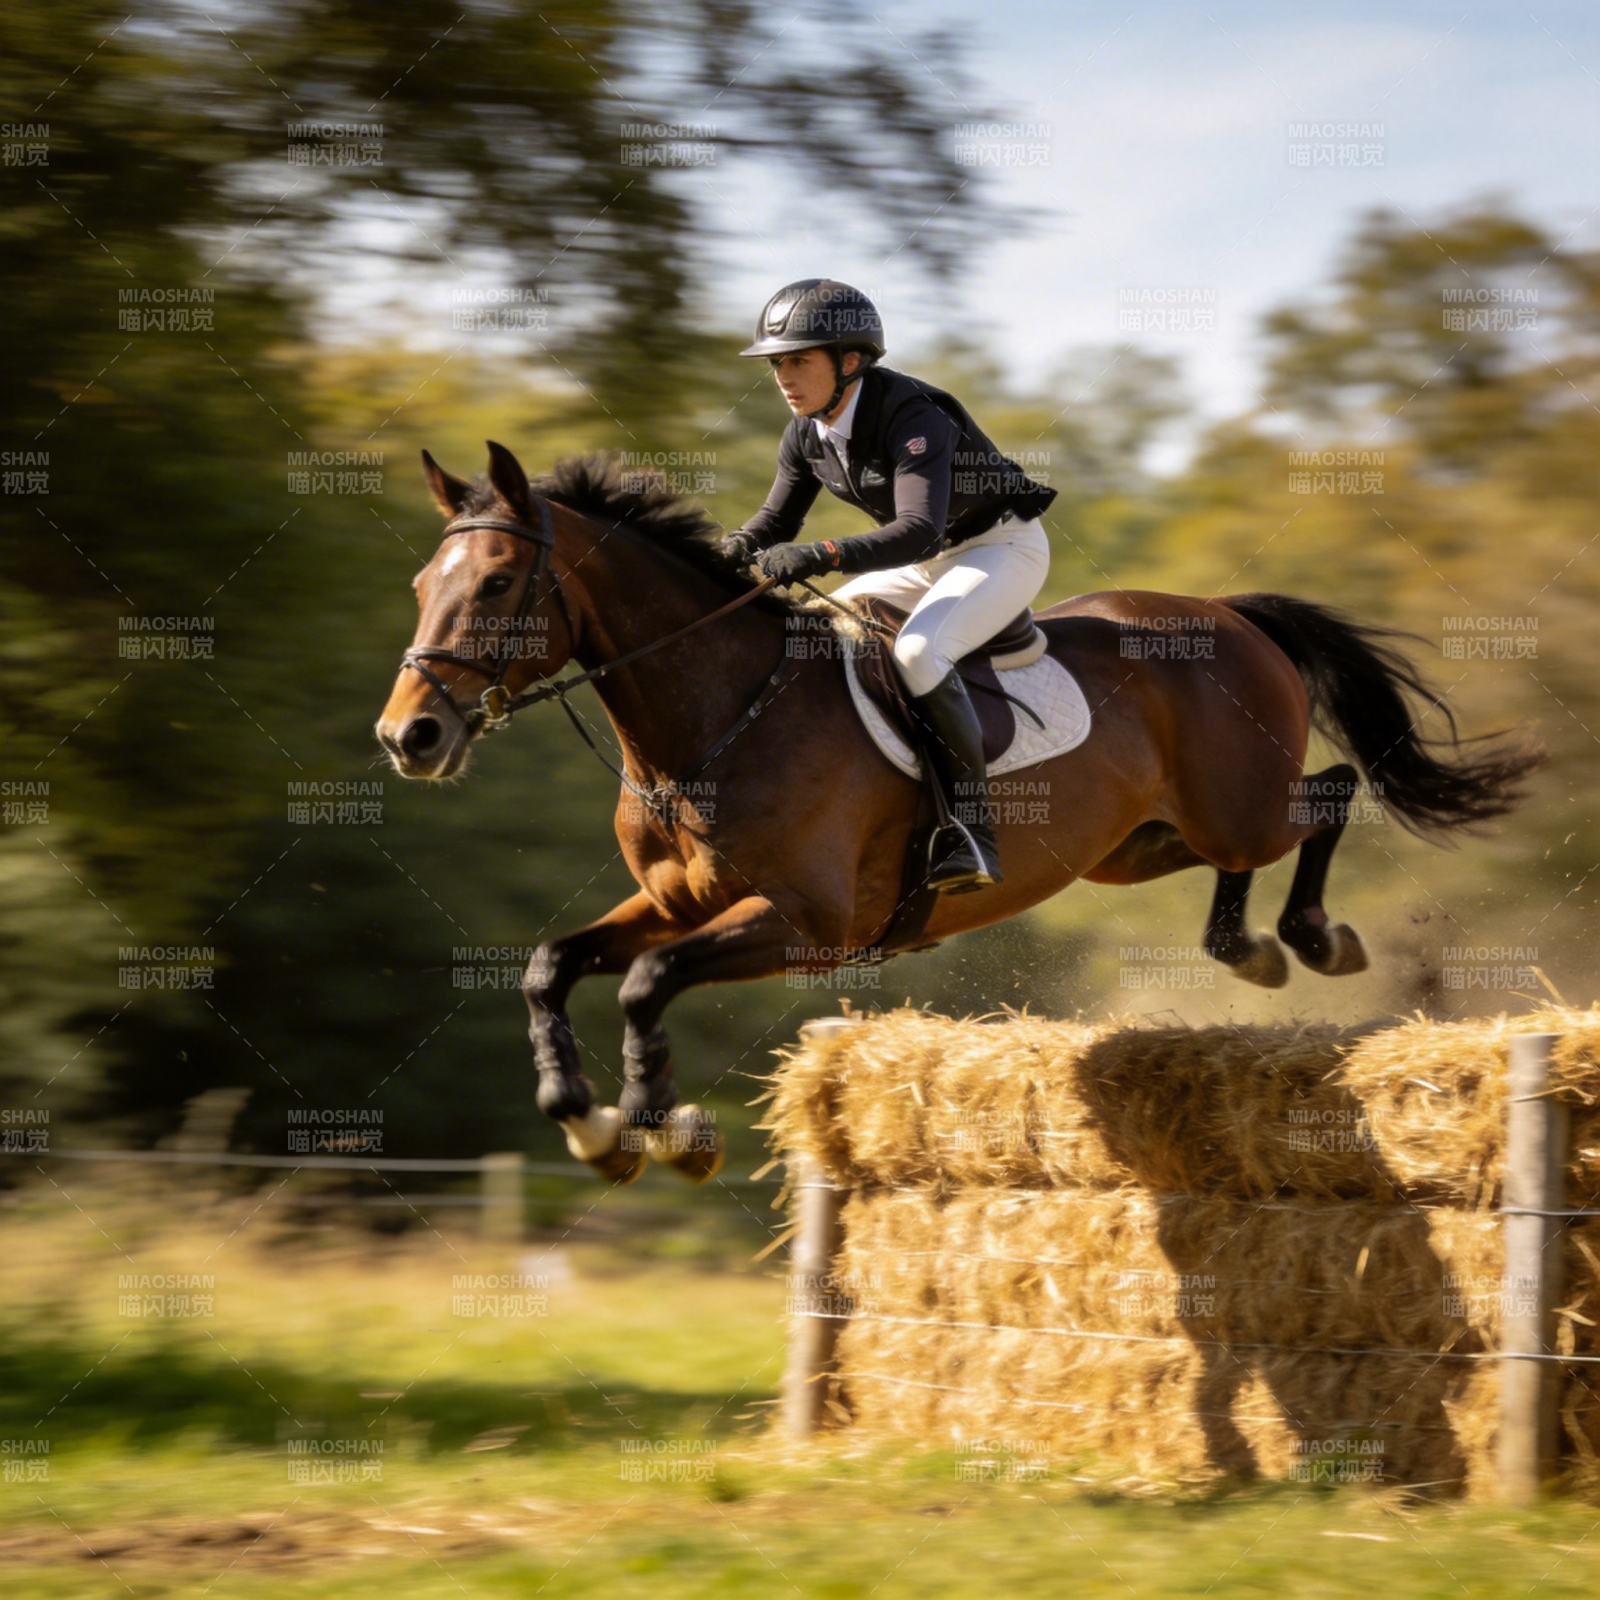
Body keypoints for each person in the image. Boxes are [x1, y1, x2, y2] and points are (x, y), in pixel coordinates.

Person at [718, 278, 1057, 892]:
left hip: (999, 547)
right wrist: (735, 547)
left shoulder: (911, 415)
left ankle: (971, 835)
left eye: (799, 360)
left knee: (918, 652)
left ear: (849, 361)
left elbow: (919, 531)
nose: (784, 378)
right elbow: (776, 521)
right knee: (812, 635)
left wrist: (821, 554)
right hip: (929, 560)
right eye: (777, 363)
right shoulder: (805, 433)